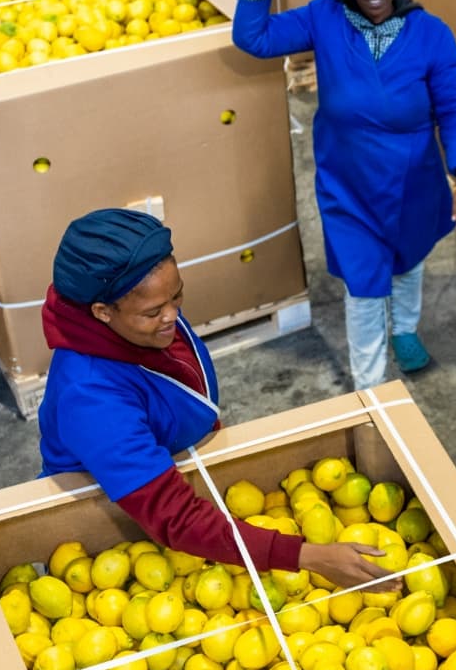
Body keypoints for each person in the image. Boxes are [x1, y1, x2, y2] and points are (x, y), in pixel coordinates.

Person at [38, 207, 387, 590]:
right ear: (102, 312)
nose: (173, 315)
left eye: (177, 295)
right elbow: (176, 518)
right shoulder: (90, 396)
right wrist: (307, 556)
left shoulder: (142, 324)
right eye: (154, 311)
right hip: (116, 507)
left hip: (171, 463)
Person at [231, 0, 456, 392]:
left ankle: (404, 330)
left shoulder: (431, 33)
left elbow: (455, 108)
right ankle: (371, 391)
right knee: (364, 286)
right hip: (348, 184)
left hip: (413, 179)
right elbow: (254, 38)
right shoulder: (323, 19)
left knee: (409, 259)